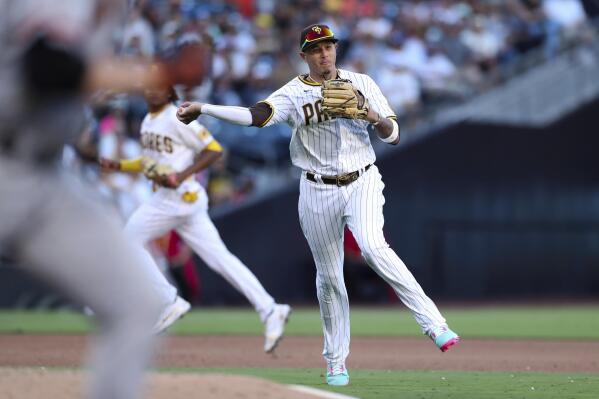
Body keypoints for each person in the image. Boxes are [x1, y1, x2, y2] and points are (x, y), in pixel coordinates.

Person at [177, 23, 460, 386]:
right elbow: (257, 116)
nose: (323, 53)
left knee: (374, 247)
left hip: (362, 179)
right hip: (316, 188)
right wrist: (205, 108)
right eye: (315, 49)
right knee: (329, 277)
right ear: (304, 56)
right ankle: (336, 361)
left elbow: (394, 134)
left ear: (335, 49)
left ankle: (434, 324)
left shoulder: (363, 83)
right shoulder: (294, 93)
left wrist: (369, 114)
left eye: (328, 46)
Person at [0, 1, 206, 398]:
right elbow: (46, 68)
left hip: (41, 176)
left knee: (137, 303)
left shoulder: (112, 11)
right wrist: (158, 72)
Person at [100, 84, 291, 353]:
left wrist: (182, 174)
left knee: (129, 239)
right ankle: (270, 309)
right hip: (181, 201)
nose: (153, 91)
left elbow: (213, 150)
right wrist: (119, 165)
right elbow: (148, 162)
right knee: (220, 259)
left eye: (161, 87)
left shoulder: (176, 117)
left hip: (176, 198)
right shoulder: (147, 120)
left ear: (169, 93)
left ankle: (169, 300)